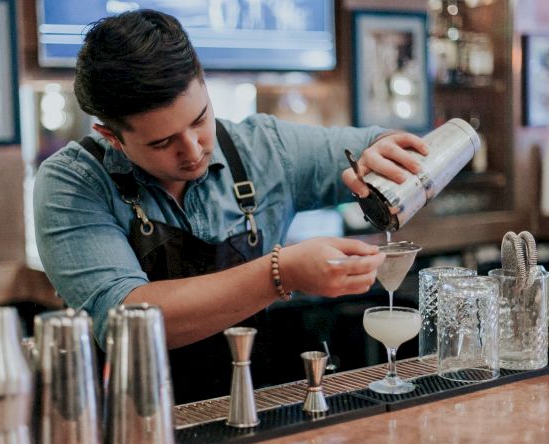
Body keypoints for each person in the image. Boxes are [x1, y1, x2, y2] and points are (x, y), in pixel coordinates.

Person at [33, 9, 428, 404]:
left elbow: (386, 144)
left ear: (203, 84)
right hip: (138, 423)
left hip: (259, 410)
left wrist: (388, 158)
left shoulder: (264, 149)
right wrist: (281, 272)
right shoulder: (74, 183)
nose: (193, 150)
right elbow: (126, 321)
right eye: (161, 143)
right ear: (110, 135)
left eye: (199, 119)